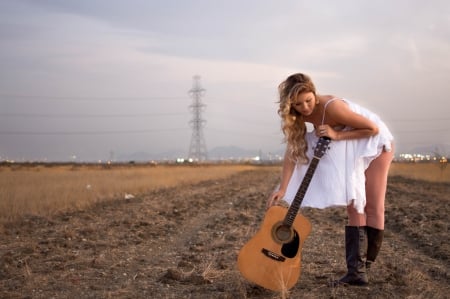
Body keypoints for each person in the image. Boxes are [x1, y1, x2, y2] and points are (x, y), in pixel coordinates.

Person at [267, 73, 394, 286]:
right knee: (354, 204)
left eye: (308, 100)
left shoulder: (332, 107)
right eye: (298, 104)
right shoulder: (298, 115)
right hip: (349, 147)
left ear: (314, 93)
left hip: (375, 145)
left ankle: (365, 266)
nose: (305, 108)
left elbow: (372, 129)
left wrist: (337, 135)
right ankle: (357, 272)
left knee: (372, 206)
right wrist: (283, 188)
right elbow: (292, 152)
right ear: (291, 105)